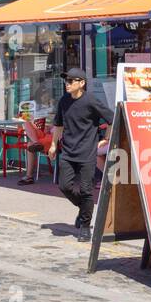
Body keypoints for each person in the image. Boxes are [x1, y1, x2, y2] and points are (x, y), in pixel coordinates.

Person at [51, 68, 112, 237]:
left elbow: (112, 118)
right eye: (66, 81)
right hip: (68, 152)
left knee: (86, 190)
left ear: (82, 83)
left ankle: (85, 226)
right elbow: (58, 125)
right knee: (64, 186)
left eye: (71, 81)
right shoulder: (64, 101)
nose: (67, 84)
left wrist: (106, 138)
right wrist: (53, 145)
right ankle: (83, 207)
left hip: (87, 153)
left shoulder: (91, 100)